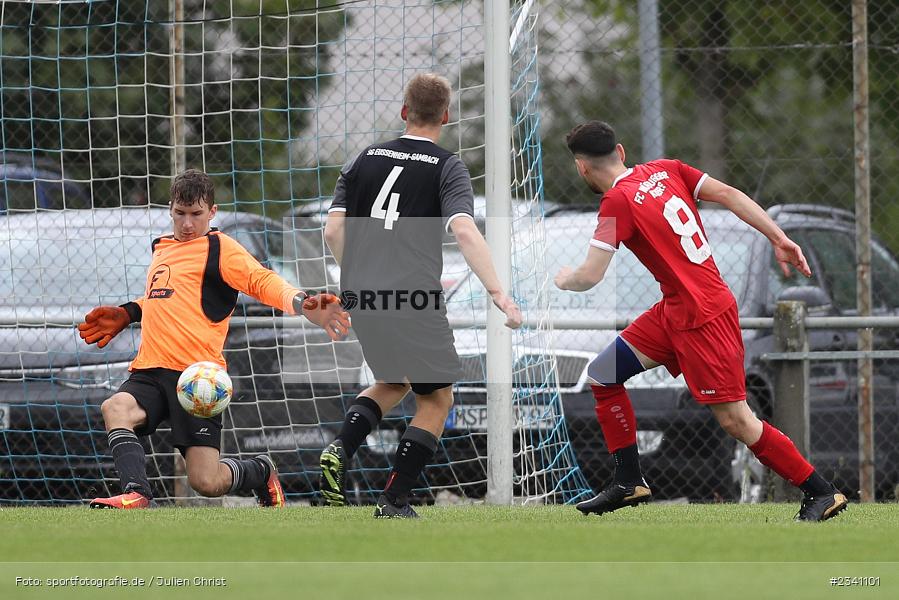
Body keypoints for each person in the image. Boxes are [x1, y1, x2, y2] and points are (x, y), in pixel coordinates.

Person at [554, 121, 848, 522]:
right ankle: (628, 481)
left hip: (703, 317)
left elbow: (590, 275)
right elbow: (728, 194)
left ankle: (821, 491)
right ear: (620, 152)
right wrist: (777, 236)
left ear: (581, 167)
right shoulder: (666, 169)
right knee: (604, 374)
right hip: (675, 309)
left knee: (737, 420)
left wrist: (565, 279)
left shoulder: (616, 201)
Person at [79, 169, 350, 509]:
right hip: (150, 370)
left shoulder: (220, 249)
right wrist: (129, 312)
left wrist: (301, 302)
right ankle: (136, 493)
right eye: (180, 213)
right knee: (115, 407)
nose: (187, 223)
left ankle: (261, 471)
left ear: (212, 212)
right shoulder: (162, 248)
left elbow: (261, 280)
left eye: (196, 214)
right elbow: (170, 298)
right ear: (170, 209)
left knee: (206, 482)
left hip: (198, 380)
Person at [320, 73, 522, 518]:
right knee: (437, 398)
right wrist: (497, 291)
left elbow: (333, 230)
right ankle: (394, 499)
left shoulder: (364, 159)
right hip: (413, 296)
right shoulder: (447, 166)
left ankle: (340, 447)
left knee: (394, 381)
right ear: (446, 116)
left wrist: (357, 275)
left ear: (404, 111)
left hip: (362, 295)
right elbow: (464, 230)